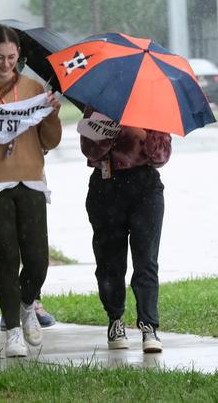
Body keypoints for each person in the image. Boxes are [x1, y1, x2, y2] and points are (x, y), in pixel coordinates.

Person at [0, 25, 62, 358]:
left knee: (37, 259)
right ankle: (13, 330)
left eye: (12, 58)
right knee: (6, 257)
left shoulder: (33, 89)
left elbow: (50, 141)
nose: (5, 64)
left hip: (31, 181)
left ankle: (27, 304)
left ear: (20, 57)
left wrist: (51, 114)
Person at [80, 115, 171, 353]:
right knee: (109, 261)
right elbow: (89, 150)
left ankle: (149, 325)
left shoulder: (150, 106)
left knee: (146, 259)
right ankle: (115, 319)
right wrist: (113, 130)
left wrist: (141, 133)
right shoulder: (99, 107)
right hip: (106, 186)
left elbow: (162, 155)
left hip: (146, 187)